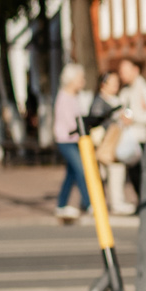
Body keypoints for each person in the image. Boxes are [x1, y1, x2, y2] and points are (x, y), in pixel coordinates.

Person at [109, 57, 146, 215]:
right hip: (128, 138)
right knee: (133, 173)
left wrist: (137, 119)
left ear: (135, 70)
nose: (122, 74)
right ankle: (142, 200)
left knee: (142, 172)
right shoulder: (125, 91)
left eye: (125, 71)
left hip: (141, 137)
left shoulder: (144, 89)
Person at [51, 64, 91, 222]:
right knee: (81, 169)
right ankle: (89, 203)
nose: (83, 81)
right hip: (66, 140)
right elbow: (71, 123)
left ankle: (61, 205)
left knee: (71, 174)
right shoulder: (64, 97)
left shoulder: (75, 96)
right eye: (80, 78)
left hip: (75, 140)